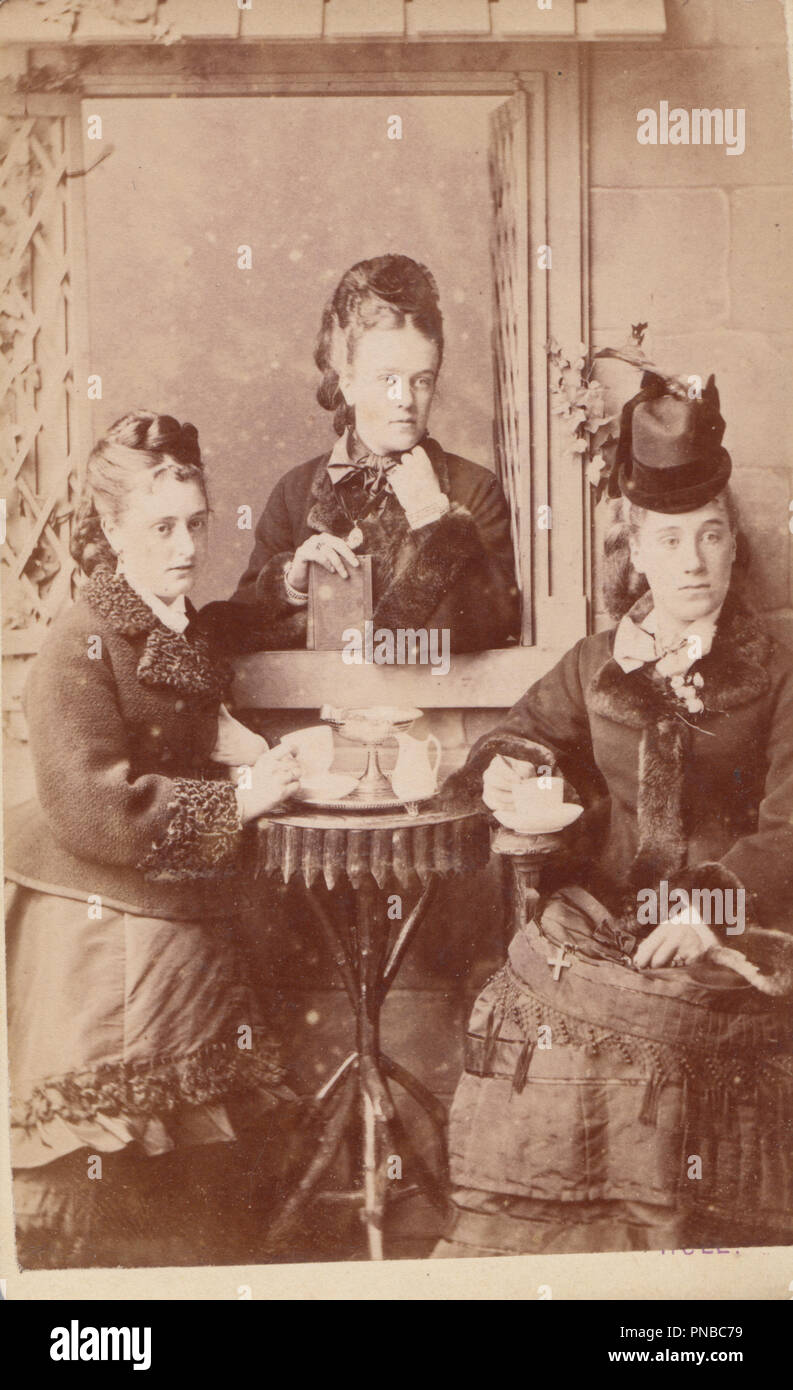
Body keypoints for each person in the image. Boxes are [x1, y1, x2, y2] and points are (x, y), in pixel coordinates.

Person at [433, 373, 793, 1256]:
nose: (693, 562)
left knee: (665, 1010)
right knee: (541, 982)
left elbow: (791, 826)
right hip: (610, 918)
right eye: (670, 540)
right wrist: (516, 773)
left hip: (741, 925)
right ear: (635, 546)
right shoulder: (598, 660)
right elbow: (522, 734)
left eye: (711, 536)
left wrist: (708, 907)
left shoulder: (779, 666)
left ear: (734, 546)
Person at [4, 411, 304, 1269]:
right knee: (105, 1166)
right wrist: (243, 796)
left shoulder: (168, 622)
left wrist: (248, 746)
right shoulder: (77, 645)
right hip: (92, 902)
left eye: (196, 524)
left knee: (196, 1148)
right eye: (160, 527)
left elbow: (196, 682)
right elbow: (95, 809)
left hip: (165, 888)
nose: (184, 546)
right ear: (111, 528)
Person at [203, 254, 520, 653]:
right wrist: (292, 583)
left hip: (435, 710)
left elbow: (490, 626)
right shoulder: (295, 491)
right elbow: (242, 625)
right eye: (387, 379)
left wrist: (433, 518)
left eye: (421, 380)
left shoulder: (474, 488)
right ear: (348, 384)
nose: (404, 399)